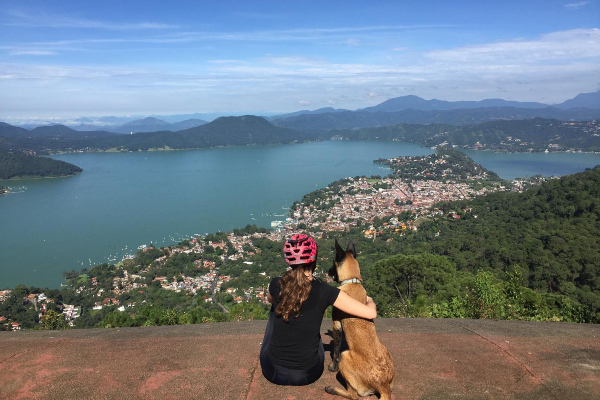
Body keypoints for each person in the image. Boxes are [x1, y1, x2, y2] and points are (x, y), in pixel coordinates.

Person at [259, 233, 377, 386]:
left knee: (274, 311)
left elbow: (270, 300)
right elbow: (371, 313)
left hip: (273, 371)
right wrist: (370, 300)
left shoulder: (276, 283)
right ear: (314, 260)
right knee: (317, 338)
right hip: (308, 374)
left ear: (289, 261)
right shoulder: (325, 291)